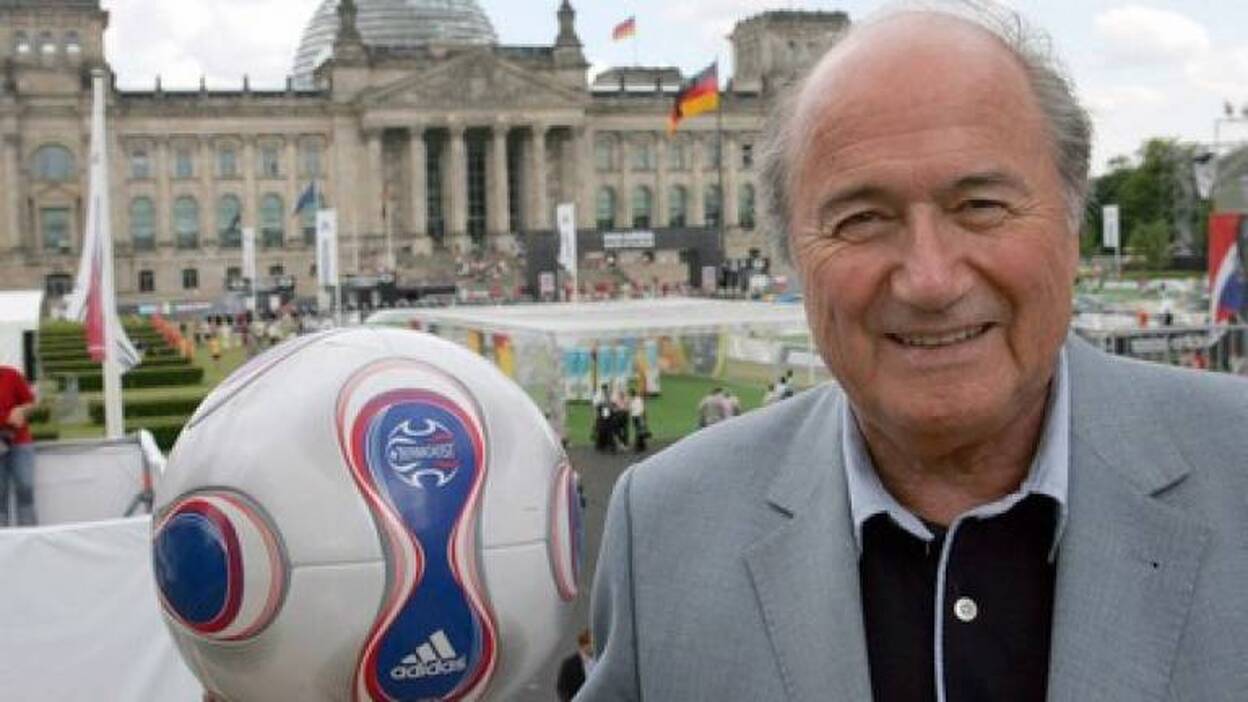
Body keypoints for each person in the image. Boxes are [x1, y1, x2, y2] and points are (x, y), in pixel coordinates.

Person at [579, 4, 1248, 701]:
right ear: (792, 257)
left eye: (981, 206)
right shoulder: (662, 528)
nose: (930, 280)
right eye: (862, 219)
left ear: (1072, 224)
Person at [0, 364, 38, 526]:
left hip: (20, 442)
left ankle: (29, 535)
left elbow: (31, 403)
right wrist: (7, 417)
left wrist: (22, 410)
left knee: (25, 488)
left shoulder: (11, 375)